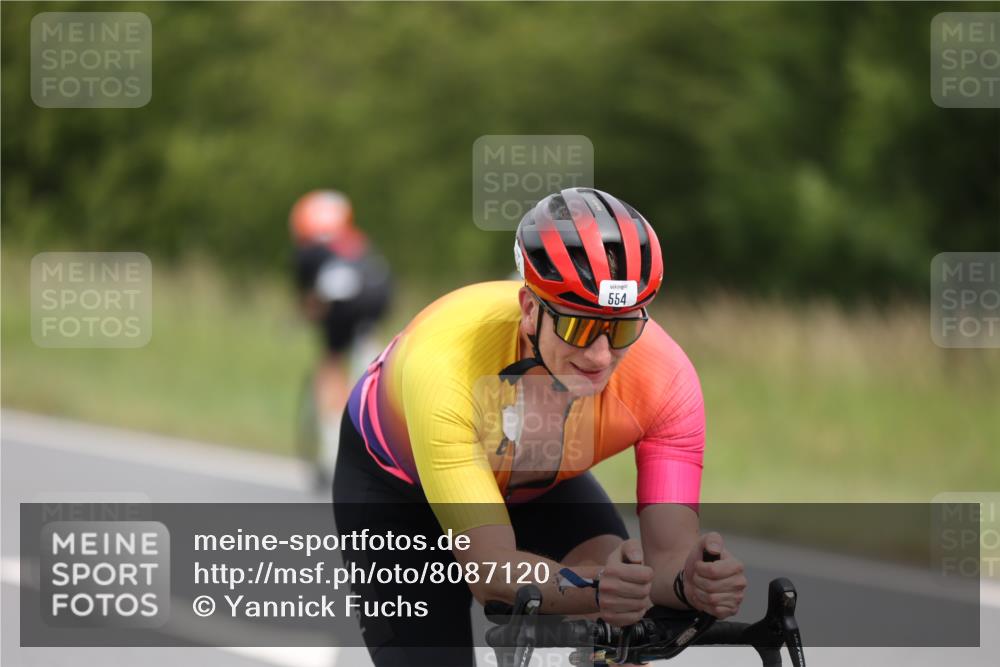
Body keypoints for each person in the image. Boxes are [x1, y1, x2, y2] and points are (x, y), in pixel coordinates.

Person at [333, 187, 745, 666]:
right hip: (400, 494)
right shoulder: (446, 366)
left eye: (621, 328)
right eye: (579, 327)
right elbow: (491, 574)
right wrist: (597, 588)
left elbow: (667, 557)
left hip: (533, 481)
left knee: (623, 632)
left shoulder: (666, 380)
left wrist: (689, 582)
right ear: (531, 311)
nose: (600, 355)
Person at [290, 190, 391, 489]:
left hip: (339, 308)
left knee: (331, 365)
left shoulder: (308, 253)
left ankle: (332, 448)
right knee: (369, 353)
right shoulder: (358, 242)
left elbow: (310, 303)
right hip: (377, 296)